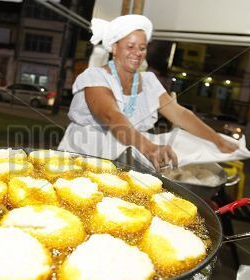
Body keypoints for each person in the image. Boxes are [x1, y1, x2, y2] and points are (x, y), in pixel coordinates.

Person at [58, 15, 238, 170]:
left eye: (142, 48)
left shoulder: (150, 82)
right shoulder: (95, 77)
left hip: (119, 162)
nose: (137, 53)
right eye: (130, 46)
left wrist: (217, 140)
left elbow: (180, 114)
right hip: (80, 157)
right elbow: (112, 117)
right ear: (114, 47)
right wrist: (149, 147)